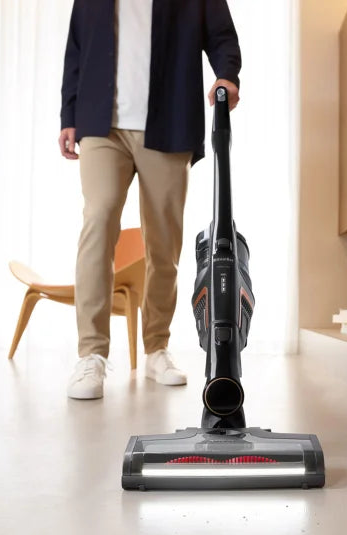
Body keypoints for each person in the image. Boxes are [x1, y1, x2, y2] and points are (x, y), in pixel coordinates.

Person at [59, 0, 241, 399]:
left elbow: (221, 34)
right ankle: (91, 354)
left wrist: (227, 75)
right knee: (99, 219)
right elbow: (77, 47)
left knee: (163, 242)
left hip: (169, 121)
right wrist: (68, 115)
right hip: (101, 125)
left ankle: (157, 347)